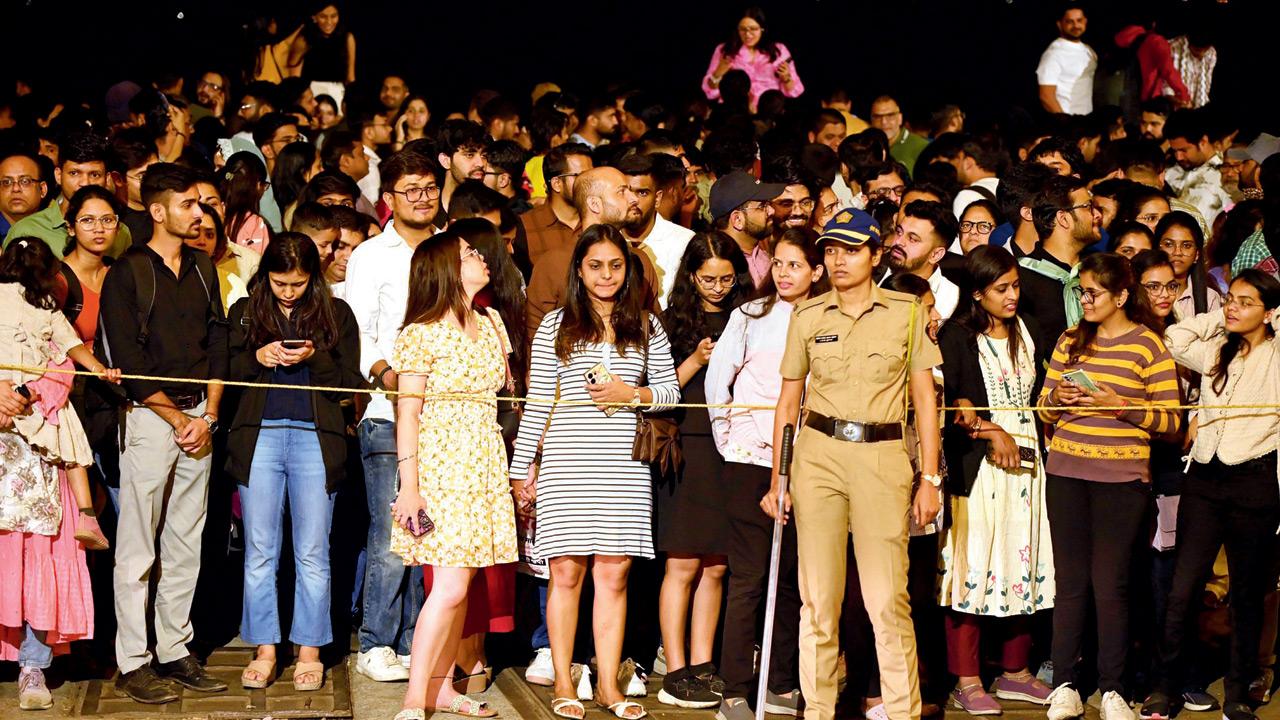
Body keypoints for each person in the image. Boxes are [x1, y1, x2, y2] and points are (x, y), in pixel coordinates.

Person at [768, 209, 943, 720]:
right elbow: (788, 402)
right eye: (830, 250)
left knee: (887, 601)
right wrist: (779, 478)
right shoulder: (807, 316)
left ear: (874, 254)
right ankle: (818, 712)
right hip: (817, 456)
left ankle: (902, 712)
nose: (838, 259)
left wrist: (930, 479)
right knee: (818, 603)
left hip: (882, 457)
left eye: (850, 249)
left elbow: (925, 401)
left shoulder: (906, 312)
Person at [509, 225, 680, 720]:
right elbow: (538, 402)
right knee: (566, 572)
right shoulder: (556, 325)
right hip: (567, 462)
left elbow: (670, 391)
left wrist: (633, 393)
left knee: (614, 572)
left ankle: (607, 685)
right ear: (579, 271)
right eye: (595, 265)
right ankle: (564, 680)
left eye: (615, 265)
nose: (606, 275)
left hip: (623, 465)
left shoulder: (647, 325)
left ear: (628, 270)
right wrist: (522, 469)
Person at [100, 164, 229, 704]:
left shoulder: (203, 267)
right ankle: (133, 660)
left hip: (199, 416)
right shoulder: (128, 271)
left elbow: (219, 343)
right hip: (151, 419)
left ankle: (175, 648)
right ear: (157, 211)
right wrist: (178, 419)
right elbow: (126, 359)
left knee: (184, 541)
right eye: (188, 204)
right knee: (137, 547)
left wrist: (210, 414)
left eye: (201, 204)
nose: (199, 213)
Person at [1035, 252, 1181, 720]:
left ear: (1121, 296)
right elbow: (1042, 408)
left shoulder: (1148, 346)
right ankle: (1064, 684)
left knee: (1111, 583)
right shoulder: (1070, 340)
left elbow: (1172, 422)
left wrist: (1120, 405)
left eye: (1094, 292)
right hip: (1066, 472)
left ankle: (1112, 688)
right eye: (1081, 292)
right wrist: (1057, 397)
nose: (1085, 300)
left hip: (1121, 480)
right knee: (1070, 582)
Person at [225, 233, 361, 692]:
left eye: (298, 284)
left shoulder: (337, 313)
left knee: (313, 551)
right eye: (279, 282)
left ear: (313, 278)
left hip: (315, 439)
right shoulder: (244, 312)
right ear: (265, 275)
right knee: (260, 550)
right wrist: (258, 357)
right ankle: (265, 648)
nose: (288, 292)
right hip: (259, 435)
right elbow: (225, 372)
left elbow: (348, 383)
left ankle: (309, 650)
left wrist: (315, 357)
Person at [1142, 270, 1280, 720]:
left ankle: (1238, 692)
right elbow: (1174, 338)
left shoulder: (1277, 355)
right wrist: (1220, 318)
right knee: (1182, 588)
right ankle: (1165, 686)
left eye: (1245, 302)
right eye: (1230, 298)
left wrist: (1272, 318)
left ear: (1270, 311)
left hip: (1254, 481)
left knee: (1247, 593)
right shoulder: (1218, 347)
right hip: (1203, 478)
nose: (1233, 307)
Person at [706, 227, 826, 720]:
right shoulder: (749, 315)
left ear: (817, 271)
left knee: (794, 579)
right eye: (778, 262)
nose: (783, 273)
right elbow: (718, 381)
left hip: (810, 464)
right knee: (750, 577)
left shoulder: (828, 317)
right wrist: (730, 441)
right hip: (751, 459)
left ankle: (780, 682)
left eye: (795, 264)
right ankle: (735, 688)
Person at [937, 246, 1055, 715]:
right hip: (980, 467)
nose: (1012, 296)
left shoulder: (1029, 329)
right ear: (977, 293)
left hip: (1028, 466)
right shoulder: (957, 336)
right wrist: (991, 430)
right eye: (1001, 288)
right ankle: (966, 679)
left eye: (1015, 286)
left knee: (1021, 557)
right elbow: (949, 404)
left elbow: (1037, 392)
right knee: (974, 565)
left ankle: (1015, 672)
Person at [345, 150, 441, 682]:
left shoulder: (451, 247)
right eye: (411, 190)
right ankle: (375, 641)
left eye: (430, 188)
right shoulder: (371, 255)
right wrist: (386, 374)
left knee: (427, 532)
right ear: (388, 198)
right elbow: (357, 330)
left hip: (443, 415)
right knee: (389, 532)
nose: (423, 198)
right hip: (388, 410)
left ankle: (411, 641)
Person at [655, 232, 751, 708]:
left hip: (733, 448)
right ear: (691, 277)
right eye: (708, 279)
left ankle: (702, 663)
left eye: (726, 279)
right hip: (689, 446)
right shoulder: (669, 322)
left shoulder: (750, 317)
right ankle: (674, 669)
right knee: (683, 563)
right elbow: (657, 392)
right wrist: (696, 358)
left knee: (717, 564)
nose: (717, 288)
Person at [0, 358, 94, 710]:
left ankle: (33, 666)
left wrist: (20, 395)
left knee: (39, 570)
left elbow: (61, 371)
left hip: (38, 455)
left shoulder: (47, 327)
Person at [4, 131, 132, 257]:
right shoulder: (27, 231)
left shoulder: (119, 232)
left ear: (107, 179)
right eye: (74, 173)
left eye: (94, 175)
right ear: (58, 175)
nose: (84, 183)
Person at [1018, 175, 1101, 346]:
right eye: (1088, 207)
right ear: (1063, 219)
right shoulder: (1021, 278)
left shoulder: (1099, 268)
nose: (1098, 215)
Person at [701, 7, 803, 109]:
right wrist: (718, 73)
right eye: (743, 29)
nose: (747, 34)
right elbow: (710, 92)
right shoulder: (724, 50)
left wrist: (786, 78)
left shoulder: (778, 50)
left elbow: (795, 91)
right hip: (734, 112)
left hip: (768, 111)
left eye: (753, 29)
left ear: (762, 28)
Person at [882, 200, 961, 319]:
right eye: (899, 232)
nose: (898, 242)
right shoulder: (873, 274)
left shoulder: (951, 299)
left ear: (935, 255)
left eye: (913, 239)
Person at [709, 170, 785, 287]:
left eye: (769, 204)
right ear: (737, 219)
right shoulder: (716, 267)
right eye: (762, 206)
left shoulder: (765, 255)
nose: (772, 211)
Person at [522, 143, 591, 267]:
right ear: (557, 184)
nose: (590, 182)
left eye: (592, 175)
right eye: (581, 176)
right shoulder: (526, 226)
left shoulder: (599, 220)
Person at [1164, 112, 1232, 226]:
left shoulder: (1225, 175)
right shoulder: (1170, 173)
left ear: (1203, 142)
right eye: (1174, 151)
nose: (1178, 157)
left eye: (1184, 150)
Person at [1155, 211, 1222, 321]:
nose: (1177, 252)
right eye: (1169, 244)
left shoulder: (1210, 297)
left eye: (1186, 246)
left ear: (1197, 254)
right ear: (1157, 248)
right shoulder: (1146, 293)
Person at [287, 2, 356, 108]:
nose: (329, 22)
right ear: (314, 17)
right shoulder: (304, 40)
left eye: (333, 16)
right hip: (312, 95)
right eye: (323, 17)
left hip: (339, 94)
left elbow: (350, 77)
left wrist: (351, 100)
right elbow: (295, 79)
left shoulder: (347, 38)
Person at [1037, 3, 1097, 115]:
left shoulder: (1088, 50)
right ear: (1059, 24)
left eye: (1079, 20)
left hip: (1086, 119)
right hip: (1067, 120)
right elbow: (1046, 96)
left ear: (1085, 21)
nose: (1076, 25)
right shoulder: (1054, 54)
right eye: (1070, 21)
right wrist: (1065, 122)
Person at [221, 151, 272, 253]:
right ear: (258, 185)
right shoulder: (255, 223)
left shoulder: (215, 211)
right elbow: (258, 261)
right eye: (264, 185)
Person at [869, 96, 929, 176]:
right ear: (871, 120)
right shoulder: (866, 146)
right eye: (877, 117)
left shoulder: (921, 146)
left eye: (890, 115)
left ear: (900, 118)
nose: (884, 122)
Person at [0, 151, 46, 239]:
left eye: (25, 181)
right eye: (6, 182)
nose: (15, 189)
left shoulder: (55, 233)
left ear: (42, 190)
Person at [1169, 30, 1217, 109]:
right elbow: (1165, 86)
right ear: (1188, 40)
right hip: (1173, 109)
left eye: (1205, 50)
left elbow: (1205, 88)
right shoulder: (1172, 48)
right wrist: (1178, 101)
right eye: (1198, 50)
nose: (1202, 54)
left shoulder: (1211, 52)